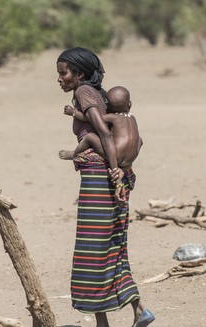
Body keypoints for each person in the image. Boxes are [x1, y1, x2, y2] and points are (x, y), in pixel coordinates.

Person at [56, 47, 154, 327]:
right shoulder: (100, 94)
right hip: (111, 173)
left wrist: (113, 171)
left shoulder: (85, 94)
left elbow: (105, 134)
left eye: (64, 73)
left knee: (92, 249)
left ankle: (104, 322)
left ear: (80, 74)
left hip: (100, 177)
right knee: (112, 245)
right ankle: (137, 310)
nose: (60, 79)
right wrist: (122, 169)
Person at [58, 85, 143, 205]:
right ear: (129, 104)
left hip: (115, 154)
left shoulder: (113, 117)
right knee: (139, 139)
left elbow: (92, 119)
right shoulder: (132, 118)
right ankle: (124, 167)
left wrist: (73, 113)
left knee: (90, 137)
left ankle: (74, 153)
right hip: (130, 157)